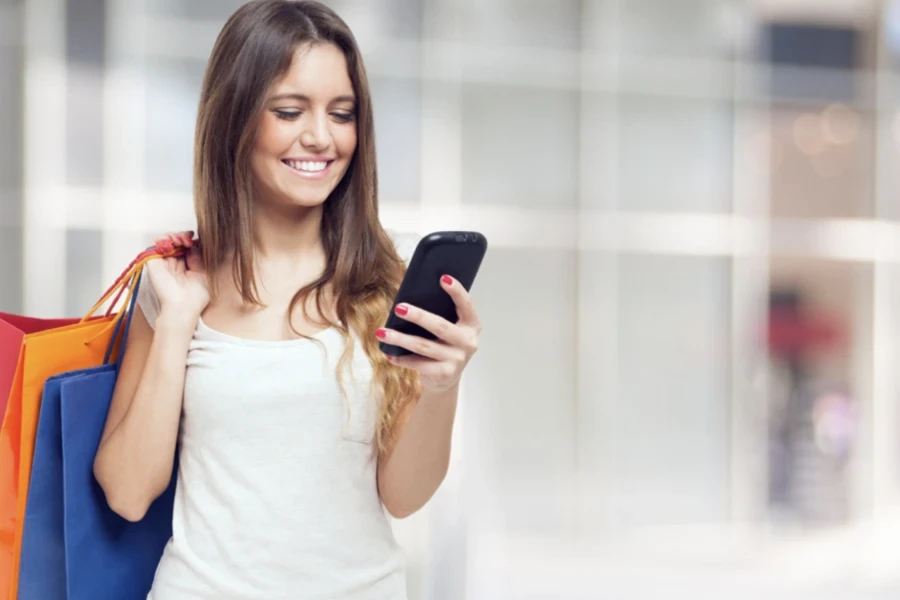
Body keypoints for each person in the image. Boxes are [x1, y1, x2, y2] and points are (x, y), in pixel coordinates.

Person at [91, 1, 481, 598]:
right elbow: (126, 492)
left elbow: (402, 498)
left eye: (342, 113)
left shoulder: (384, 282)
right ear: (236, 118)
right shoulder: (173, 281)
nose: (321, 137)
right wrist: (176, 325)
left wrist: (442, 387)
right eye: (290, 111)